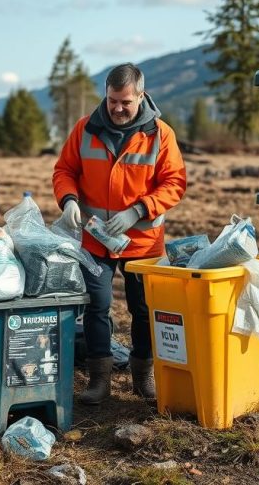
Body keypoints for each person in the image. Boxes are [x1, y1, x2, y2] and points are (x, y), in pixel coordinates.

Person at [52, 62, 186, 404]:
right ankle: (99, 380)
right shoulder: (85, 129)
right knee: (97, 306)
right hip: (95, 240)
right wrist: (68, 200)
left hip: (144, 241)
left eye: (125, 101)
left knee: (144, 309)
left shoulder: (160, 134)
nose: (118, 108)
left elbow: (175, 183)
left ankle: (144, 376)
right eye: (113, 100)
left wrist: (138, 210)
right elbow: (65, 170)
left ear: (141, 96)